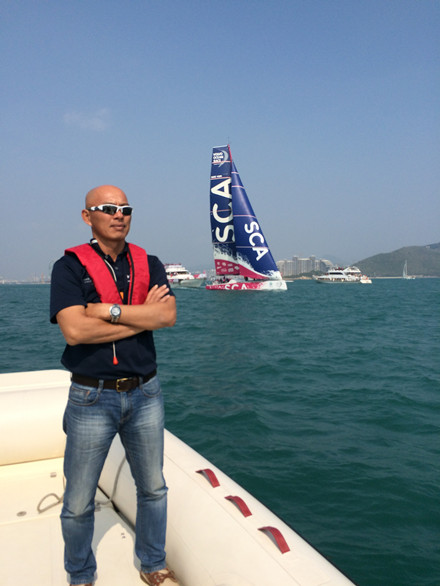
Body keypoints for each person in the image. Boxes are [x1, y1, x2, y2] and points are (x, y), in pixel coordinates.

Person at [50, 185, 179, 586]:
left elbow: (167, 316)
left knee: (153, 488)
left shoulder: (150, 263)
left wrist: (108, 311)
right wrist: (143, 316)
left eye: (125, 208)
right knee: (78, 501)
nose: (119, 215)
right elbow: (74, 331)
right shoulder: (69, 267)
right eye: (108, 208)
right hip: (92, 397)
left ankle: (152, 563)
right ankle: (80, 574)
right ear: (87, 216)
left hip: (146, 393)